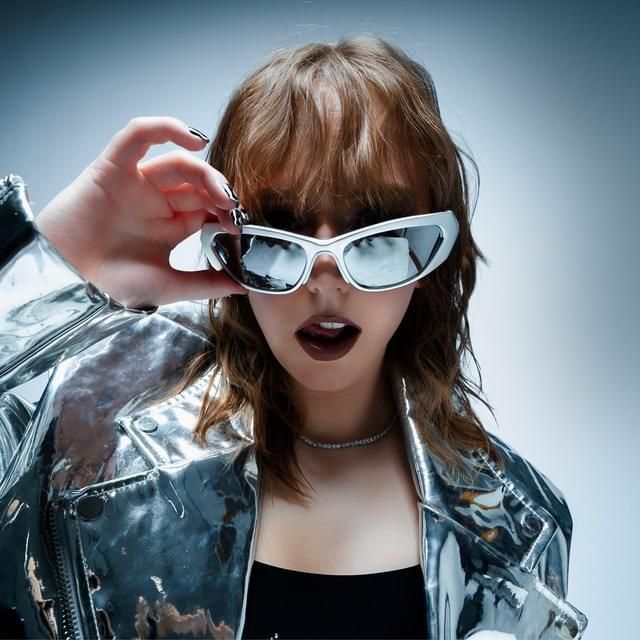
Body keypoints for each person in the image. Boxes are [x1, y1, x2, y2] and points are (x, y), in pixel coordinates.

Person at [0, 35, 587, 640]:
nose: (323, 278)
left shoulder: (517, 527)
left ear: (430, 255)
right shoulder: (88, 441)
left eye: (376, 231)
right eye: (281, 229)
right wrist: (48, 264)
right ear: (230, 243)